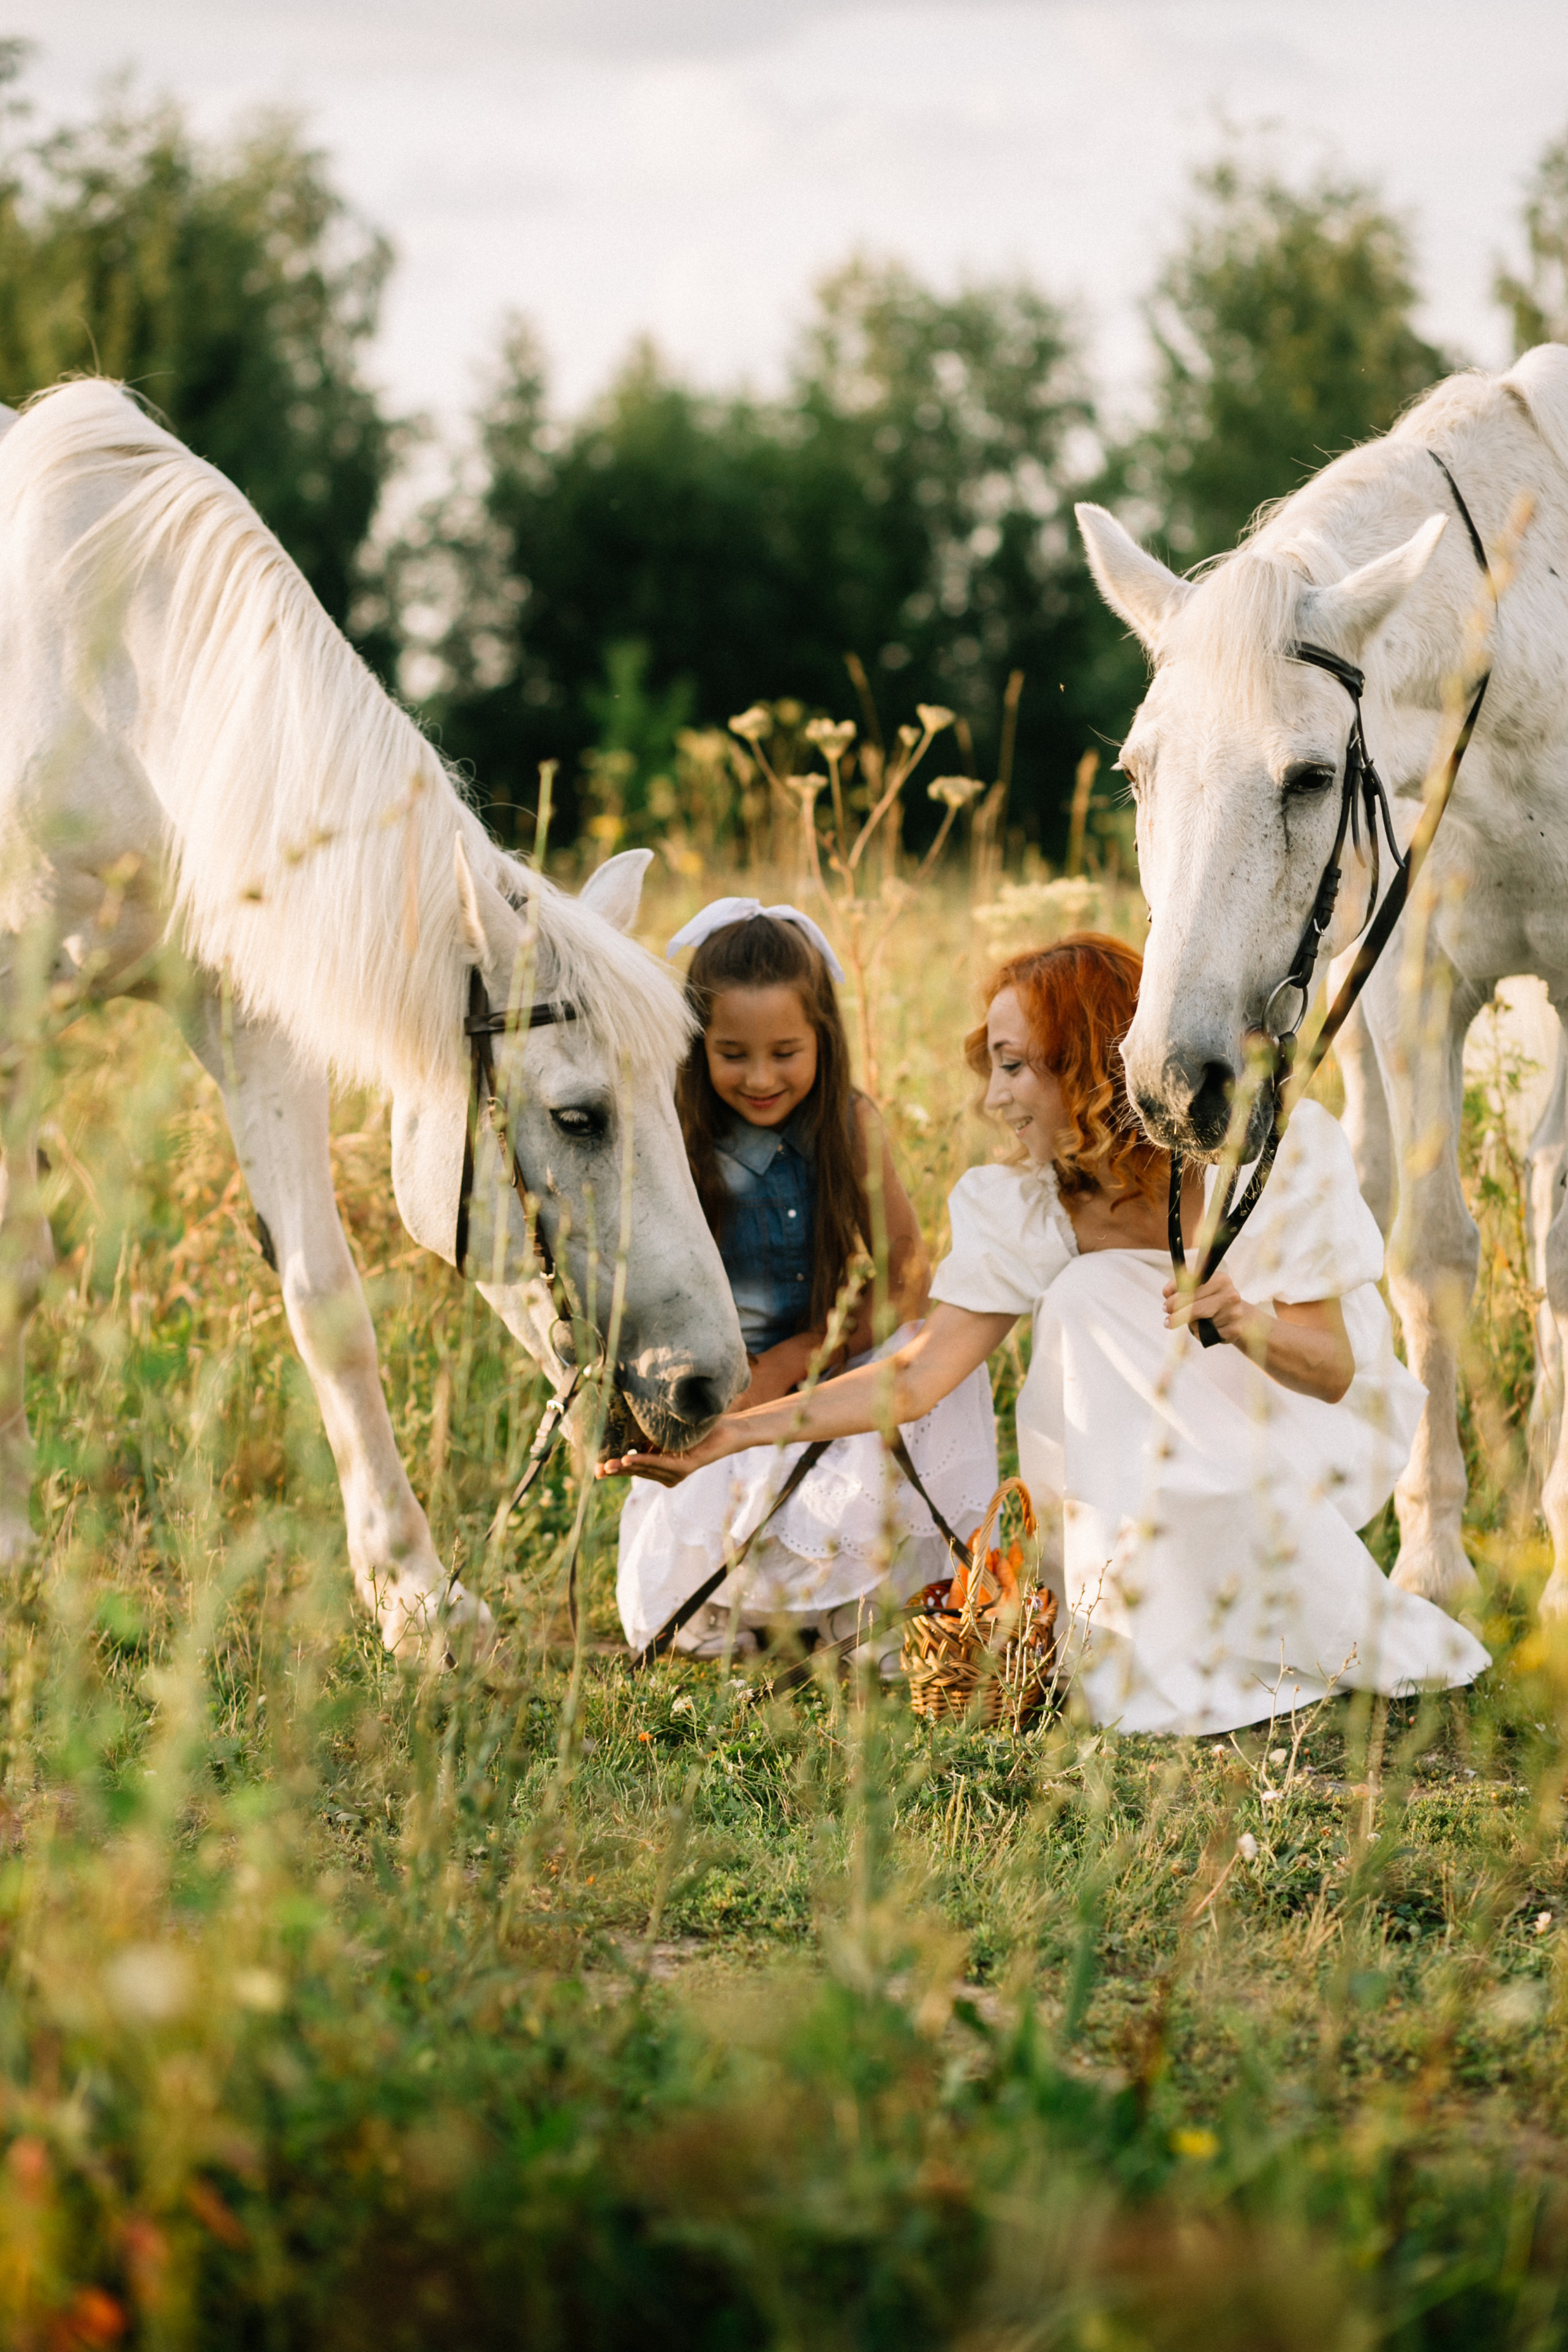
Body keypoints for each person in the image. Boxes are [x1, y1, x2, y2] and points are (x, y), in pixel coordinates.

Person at [605, 932, 1488, 1735]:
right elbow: (914, 1375)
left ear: (1092, 1065)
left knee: (1093, 1292)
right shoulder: (1029, 1204)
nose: (994, 1097)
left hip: (1289, 1417)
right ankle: (1130, 1619)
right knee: (1091, 1290)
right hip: (1151, 1443)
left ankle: (1265, 1599)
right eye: (992, 1065)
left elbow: (1332, 1371)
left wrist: (1244, 1319)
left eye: (1017, 1066)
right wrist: (726, 1437)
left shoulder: (1271, 1158)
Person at [613, 899, 998, 1659]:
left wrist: (800, 1357)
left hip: (825, 1374)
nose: (760, 1078)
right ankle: (736, 1609)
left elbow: (906, 1272)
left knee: (940, 1367)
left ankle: (865, 1603)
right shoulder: (675, 1138)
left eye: (785, 1052)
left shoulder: (849, 1123)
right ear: (696, 1046)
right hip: (724, 1386)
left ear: (822, 1038)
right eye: (732, 1053)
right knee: (710, 1450)